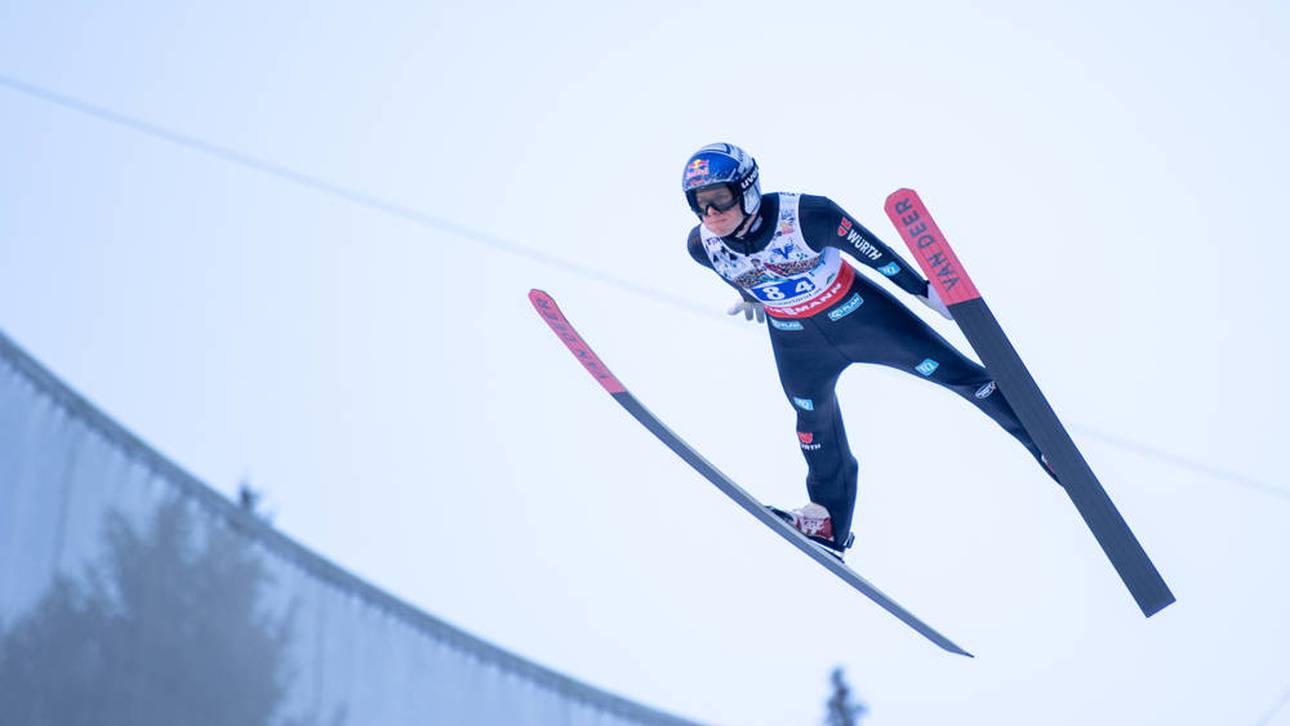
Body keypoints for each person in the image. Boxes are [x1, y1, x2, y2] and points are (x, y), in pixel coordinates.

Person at [682, 142, 1050, 556]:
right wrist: (750, 296)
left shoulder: (807, 216)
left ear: (747, 189)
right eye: (699, 204)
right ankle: (828, 523)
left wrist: (926, 292)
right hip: (797, 343)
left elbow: (877, 255)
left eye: (719, 199)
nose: (711, 214)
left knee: (960, 376)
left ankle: (1045, 446)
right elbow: (740, 271)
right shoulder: (703, 247)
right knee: (810, 422)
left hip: (862, 318)